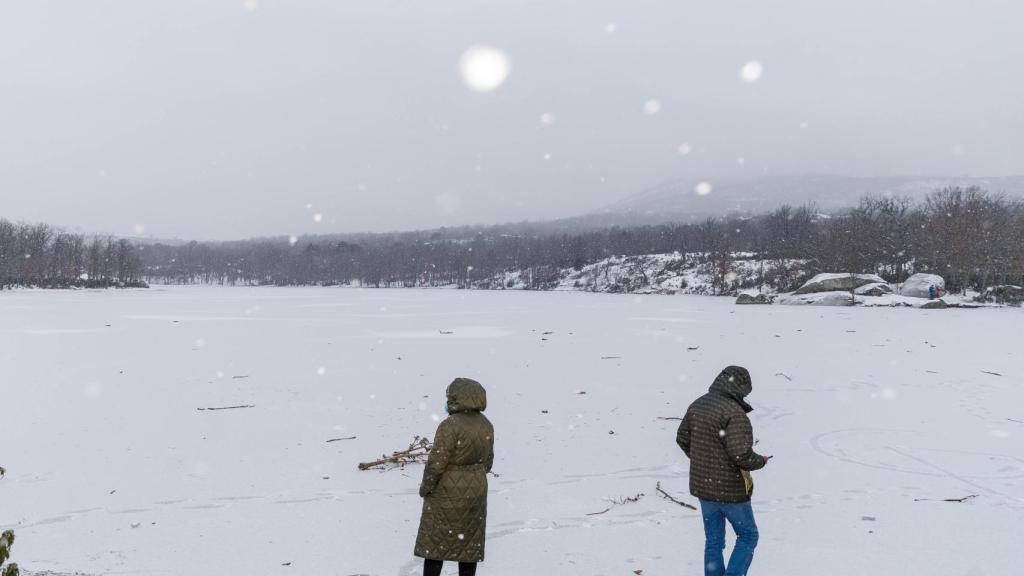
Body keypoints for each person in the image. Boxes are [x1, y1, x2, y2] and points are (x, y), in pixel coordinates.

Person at [676, 366, 771, 576]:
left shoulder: (698, 404)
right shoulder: (734, 413)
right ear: (741, 387)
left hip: (704, 487)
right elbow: (741, 455)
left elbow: (682, 438)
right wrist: (761, 461)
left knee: (714, 541)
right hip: (730, 490)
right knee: (748, 536)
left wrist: (704, 461)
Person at [414, 378, 494, 576]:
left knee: (436, 543)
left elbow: (436, 462)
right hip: (476, 491)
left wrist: (426, 487)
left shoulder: (450, 425)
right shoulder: (486, 425)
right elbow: (488, 461)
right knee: (469, 544)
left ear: (457, 398)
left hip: (446, 491)